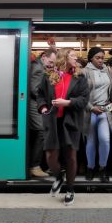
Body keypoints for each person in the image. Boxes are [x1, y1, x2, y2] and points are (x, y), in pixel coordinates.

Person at [37, 48, 89, 205]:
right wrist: (43, 107)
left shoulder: (80, 77)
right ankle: (59, 177)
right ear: (64, 59)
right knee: (51, 156)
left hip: (70, 121)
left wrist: (68, 103)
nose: (76, 58)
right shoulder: (48, 76)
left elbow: (84, 100)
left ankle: (70, 188)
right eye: (73, 56)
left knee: (71, 157)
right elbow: (40, 94)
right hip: (52, 120)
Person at [82, 47, 112, 183]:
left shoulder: (108, 71)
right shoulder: (85, 72)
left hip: (105, 110)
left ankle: (103, 168)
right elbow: (81, 94)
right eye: (98, 58)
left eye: (102, 57)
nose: (101, 60)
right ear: (91, 58)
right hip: (90, 110)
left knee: (105, 139)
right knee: (91, 141)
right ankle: (90, 168)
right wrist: (91, 108)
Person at [28, 49, 56, 178]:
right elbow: (35, 90)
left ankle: (46, 165)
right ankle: (35, 166)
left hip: (39, 104)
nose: (51, 65)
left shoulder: (41, 66)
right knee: (41, 132)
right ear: (44, 57)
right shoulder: (38, 68)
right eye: (50, 62)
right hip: (35, 106)